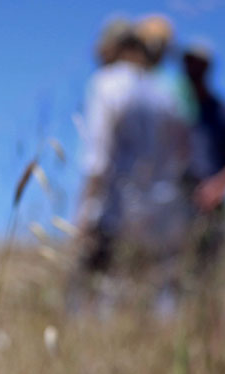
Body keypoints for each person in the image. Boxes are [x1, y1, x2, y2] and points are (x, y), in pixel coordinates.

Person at [67, 17, 192, 315]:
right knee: (153, 297)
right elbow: (181, 157)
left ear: (116, 48)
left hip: (115, 207)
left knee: (95, 295)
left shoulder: (106, 84)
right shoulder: (165, 94)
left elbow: (98, 158)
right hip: (161, 210)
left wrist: (83, 213)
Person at [182, 39, 225, 285]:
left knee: (208, 272)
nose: (190, 70)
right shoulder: (175, 112)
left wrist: (215, 190)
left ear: (207, 68)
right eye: (187, 64)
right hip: (176, 201)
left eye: (196, 65)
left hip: (213, 206)